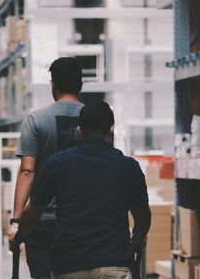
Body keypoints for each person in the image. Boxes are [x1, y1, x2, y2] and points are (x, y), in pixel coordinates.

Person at [11, 100, 152, 279]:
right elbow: (143, 218)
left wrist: (18, 236)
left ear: (80, 130)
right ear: (112, 128)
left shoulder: (58, 164)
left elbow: (33, 212)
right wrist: (136, 240)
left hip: (70, 267)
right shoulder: (128, 167)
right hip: (113, 266)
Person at [9, 57, 85, 278]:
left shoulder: (36, 119)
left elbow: (27, 171)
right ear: (81, 83)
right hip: (81, 220)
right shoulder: (94, 118)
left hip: (40, 220)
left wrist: (16, 221)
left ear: (53, 84)